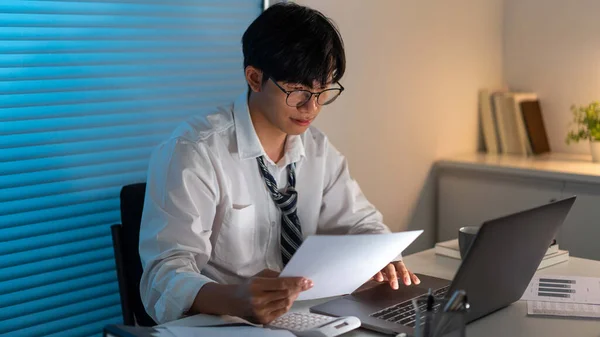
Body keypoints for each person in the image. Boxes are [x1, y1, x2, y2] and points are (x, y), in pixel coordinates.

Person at [139, 2, 420, 325]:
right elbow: (163, 277)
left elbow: (361, 223)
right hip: (225, 323)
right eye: (299, 91)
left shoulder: (316, 148)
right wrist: (236, 298)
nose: (311, 107)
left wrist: (383, 257)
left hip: (305, 316)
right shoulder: (194, 151)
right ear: (255, 78)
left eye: (322, 90)